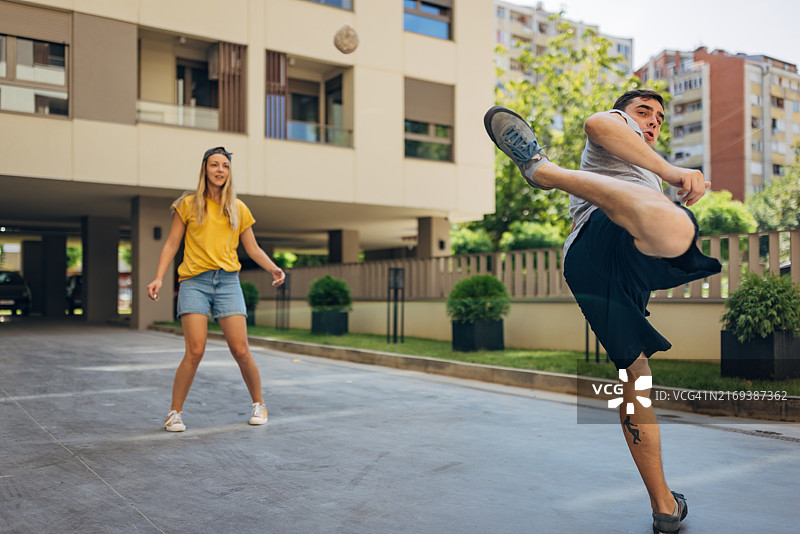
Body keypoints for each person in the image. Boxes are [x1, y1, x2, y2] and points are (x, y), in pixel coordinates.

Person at [484, 89, 721, 534]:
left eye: (658, 119)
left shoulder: (644, 167)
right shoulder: (616, 130)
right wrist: (671, 171)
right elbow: (596, 124)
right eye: (643, 112)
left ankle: (665, 505)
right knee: (674, 225)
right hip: (603, 236)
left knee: (636, 376)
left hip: (595, 269)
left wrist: (662, 178)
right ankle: (544, 170)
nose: (650, 122)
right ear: (627, 114)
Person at [147, 146, 285, 433]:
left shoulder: (238, 208)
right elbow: (172, 243)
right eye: (214, 165)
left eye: (225, 165)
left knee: (241, 349)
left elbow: (253, 248)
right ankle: (174, 412)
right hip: (194, 282)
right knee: (195, 350)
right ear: (205, 169)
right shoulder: (187, 204)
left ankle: (259, 403)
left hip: (227, 282)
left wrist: (273, 267)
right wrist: (159, 277)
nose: (220, 170)